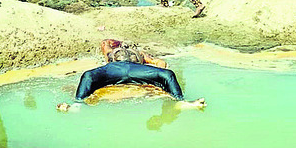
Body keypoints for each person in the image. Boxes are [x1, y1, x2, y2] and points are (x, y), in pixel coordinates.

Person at [57, 39, 206, 111]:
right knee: (88, 75)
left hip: (136, 68)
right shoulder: (112, 53)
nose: (125, 46)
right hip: (113, 68)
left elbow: (159, 63)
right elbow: (104, 43)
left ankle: (180, 101)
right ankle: (77, 105)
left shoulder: (140, 53)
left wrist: (150, 67)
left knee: (168, 74)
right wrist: (118, 43)